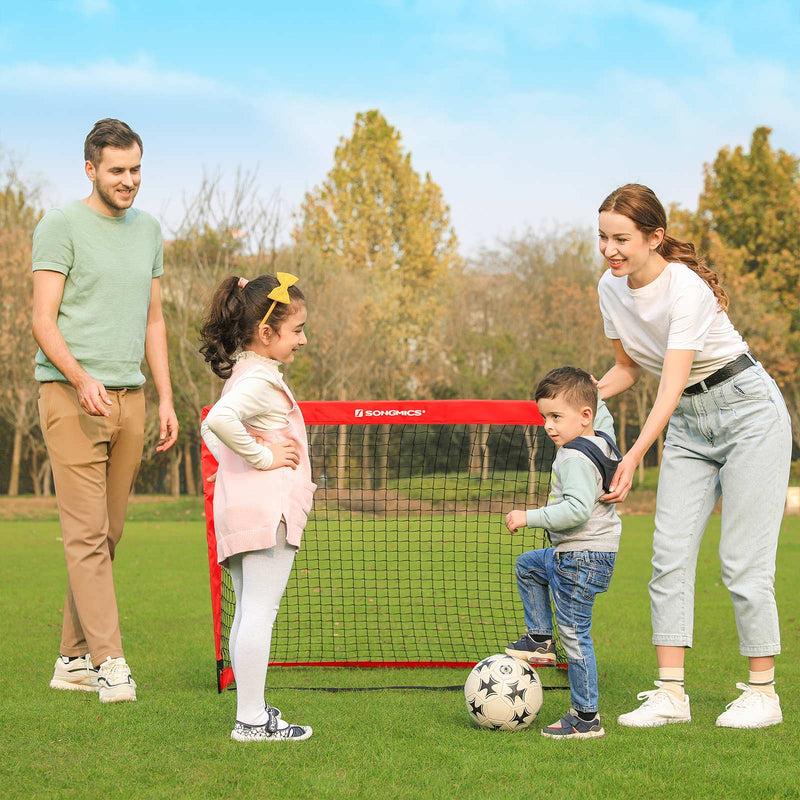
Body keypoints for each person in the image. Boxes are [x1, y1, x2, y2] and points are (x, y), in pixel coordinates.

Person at [596, 184, 791, 729]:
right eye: (603, 239)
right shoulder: (609, 291)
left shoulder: (686, 289)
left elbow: (670, 384)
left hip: (748, 412)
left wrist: (633, 455)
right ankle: (670, 695)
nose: (610, 250)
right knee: (669, 554)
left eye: (622, 239)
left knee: (742, 563)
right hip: (688, 424)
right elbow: (629, 369)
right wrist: (581, 395)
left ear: (655, 237)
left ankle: (763, 694)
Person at [32, 118, 178, 703]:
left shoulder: (148, 231)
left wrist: (166, 396)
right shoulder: (59, 225)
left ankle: (71, 659)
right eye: (117, 170)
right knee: (87, 536)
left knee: (109, 533)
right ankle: (109, 662)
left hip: (132, 399)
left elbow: (154, 320)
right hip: (71, 398)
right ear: (90, 169)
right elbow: (43, 319)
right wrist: (80, 377)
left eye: (136, 169)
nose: (129, 180)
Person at [200, 272, 316, 742]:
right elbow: (220, 421)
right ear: (266, 334)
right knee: (259, 612)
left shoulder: (245, 376)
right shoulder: (261, 381)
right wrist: (264, 457)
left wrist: (239, 459)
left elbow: (212, 431)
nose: (303, 340)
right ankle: (249, 720)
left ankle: (252, 709)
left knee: (249, 610)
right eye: (296, 331)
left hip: (241, 512)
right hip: (267, 515)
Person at [503, 366, 622, 740]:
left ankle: (586, 717)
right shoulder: (601, 438)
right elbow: (602, 411)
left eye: (556, 416)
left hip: (580, 558)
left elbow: (575, 510)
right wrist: (591, 387)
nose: (548, 426)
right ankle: (539, 639)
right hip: (584, 556)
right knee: (529, 565)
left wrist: (528, 516)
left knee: (574, 636)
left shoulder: (572, 457)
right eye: (544, 417)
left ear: (583, 416)